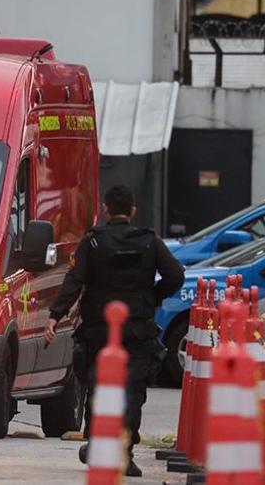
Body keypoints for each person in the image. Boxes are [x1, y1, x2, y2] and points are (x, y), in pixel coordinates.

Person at [44, 185, 185, 478]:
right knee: (133, 391)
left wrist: (55, 316)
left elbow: (74, 280)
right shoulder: (149, 241)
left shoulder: (93, 242)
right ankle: (125, 453)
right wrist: (151, 297)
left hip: (99, 330)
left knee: (98, 387)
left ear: (106, 209)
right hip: (137, 330)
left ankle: (97, 445)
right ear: (132, 210)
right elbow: (175, 275)